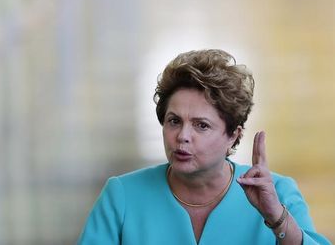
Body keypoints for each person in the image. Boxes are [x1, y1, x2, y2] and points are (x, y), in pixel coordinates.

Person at [78, 49, 330, 245]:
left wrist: (277, 218)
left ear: (233, 135)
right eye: (174, 121)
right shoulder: (122, 196)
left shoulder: (277, 193)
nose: (183, 136)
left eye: (201, 125)